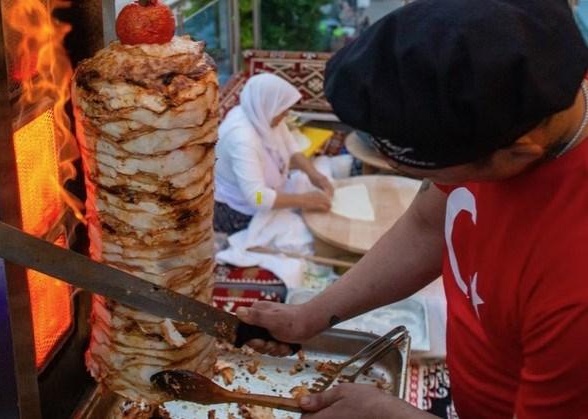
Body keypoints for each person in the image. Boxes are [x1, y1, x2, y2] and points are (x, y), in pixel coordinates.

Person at [234, 0, 588, 418]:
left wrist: (385, 414)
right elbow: (427, 225)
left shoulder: (574, 287)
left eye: (424, 171)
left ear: (517, 154)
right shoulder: (506, 103)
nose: (426, 183)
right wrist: (309, 317)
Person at [214, 73, 334, 235]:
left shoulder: (263, 115)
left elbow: (291, 147)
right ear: (268, 106)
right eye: (283, 110)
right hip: (239, 206)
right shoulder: (242, 140)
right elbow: (256, 196)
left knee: (314, 183)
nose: (286, 115)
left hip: (263, 190)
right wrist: (304, 200)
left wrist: (314, 174)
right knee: (300, 235)